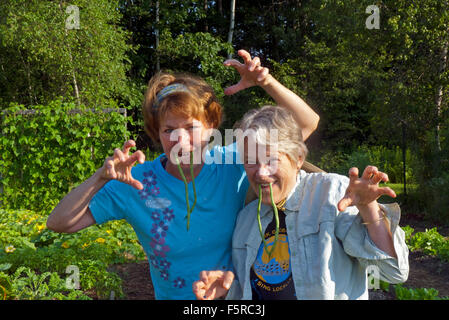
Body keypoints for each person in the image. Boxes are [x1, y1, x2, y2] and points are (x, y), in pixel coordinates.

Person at [46, 50, 320, 299]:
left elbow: (307, 123)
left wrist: (265, 82)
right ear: (157, 134)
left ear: (211, 126)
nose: (180, 140)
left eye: (191, 127)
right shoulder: (134, 182)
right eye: (168, 130)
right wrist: (100, 179)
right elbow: (59, 222)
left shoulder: (232, 161)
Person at [193, 106, 409, 300]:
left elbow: (393, 272)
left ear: (297, 158)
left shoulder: (331, 194)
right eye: (250, 161)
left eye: (270, 160)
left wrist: (369, 210)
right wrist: (227, 290)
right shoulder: (247, 218)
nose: (261, 173)